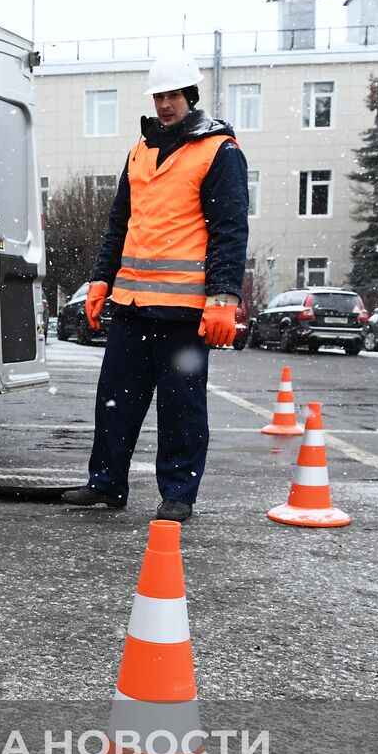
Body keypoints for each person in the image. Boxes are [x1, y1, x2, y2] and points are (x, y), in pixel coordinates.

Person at [61, 50, 248, 522]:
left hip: (184, 311)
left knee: (181, 406)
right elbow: (119, 223)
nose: (166, 104)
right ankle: (106, 485)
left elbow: (229, 227)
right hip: (131, 305)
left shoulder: (219, 151)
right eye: (160, 96)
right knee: (115, 402)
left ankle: (179, 494)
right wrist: (101, 279)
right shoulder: (140, 150)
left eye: (174, 95)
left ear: (191, 96)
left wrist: (224, 297)